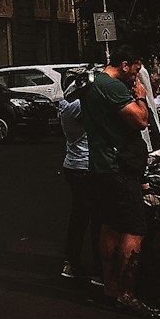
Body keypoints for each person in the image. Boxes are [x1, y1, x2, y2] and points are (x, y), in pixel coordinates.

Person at [79, 44, 159, 317]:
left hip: (102, 167)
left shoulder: (95, 84)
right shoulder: (111, 87)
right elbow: (140, 121)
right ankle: (126, 293)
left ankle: (110, 289)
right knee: (134, 228)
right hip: (118, 169)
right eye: (136, 70)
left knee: (111, 226)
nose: (137, 77)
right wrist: (141, 98)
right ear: (125, 64)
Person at [57, 73, 100, 281]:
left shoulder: (66, 105)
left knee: (79, 217)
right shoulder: (76, 107)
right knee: (96, 217)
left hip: (73, 165)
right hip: (84, 166)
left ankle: (71, 262)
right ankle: (97, 266)